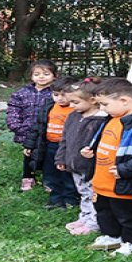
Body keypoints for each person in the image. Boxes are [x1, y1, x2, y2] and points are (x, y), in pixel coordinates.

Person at [81, 79, 132, 256]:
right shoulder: (112, 117)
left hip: (125, 183)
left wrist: (124, 169)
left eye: (105, 104)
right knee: (104, 211)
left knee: (129, 215)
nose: (102, 109)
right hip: (102, 180)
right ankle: (112, 236)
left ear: (124, 100)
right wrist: (91, 150)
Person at [55, 78, 108, 236]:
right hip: (75, 164)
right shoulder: (73, 116)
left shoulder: (102, 120)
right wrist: (61, 158)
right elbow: (65, 138)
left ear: (92, 100)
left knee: (93, 194)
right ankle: (85, 217)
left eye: (75, 102)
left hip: (92, 166)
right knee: (83, 193)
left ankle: (93, 223)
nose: (71, 106)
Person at [23, 77, 79, 208]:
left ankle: (70, 201)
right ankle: (55, 199)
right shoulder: (49, 106)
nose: (60, 98)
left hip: (67, 147)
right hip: (50, 145)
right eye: (56, 94)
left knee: (67, 174)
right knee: (50, 173)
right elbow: (38, 126)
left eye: (64, 95)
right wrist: (30, 145)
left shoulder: (76, 110)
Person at [7, 60, 56, 191]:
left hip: (48, 131)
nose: (41, 77)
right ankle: (28, 178)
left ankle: (48, 180)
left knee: (48, 156)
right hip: (27, 130)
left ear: (54, 76)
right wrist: (16, 125)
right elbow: (13, 109)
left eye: (46, 74)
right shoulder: (22, 93)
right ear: (31, 76)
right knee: (28, 154)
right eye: (37, 74)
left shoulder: (56, 93)